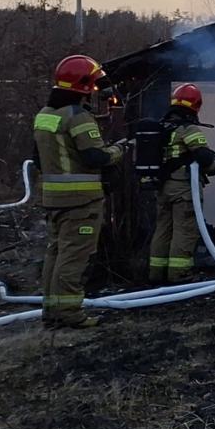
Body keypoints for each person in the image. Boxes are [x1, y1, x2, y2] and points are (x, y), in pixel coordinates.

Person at [33, 55, 125, 329]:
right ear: (83, 85)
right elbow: (95, 156)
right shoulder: (77, 116)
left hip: (54, 199)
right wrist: (119, 150)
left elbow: (38, 158)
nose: (96, 90)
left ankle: (52, 310)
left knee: (57, 253)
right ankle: (70, 312)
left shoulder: (44, 116)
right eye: (94, 84)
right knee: (75, 256)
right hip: (81, 201)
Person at [147, 84, 215, 283]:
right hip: (183, 190)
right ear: (196, 105)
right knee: (184, 229)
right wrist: (212, 166)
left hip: (163, 188)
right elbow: (203, 157)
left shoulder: (163, 127)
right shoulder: (188, 128)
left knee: (163, 229)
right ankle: (180, 275)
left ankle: (156, 274)